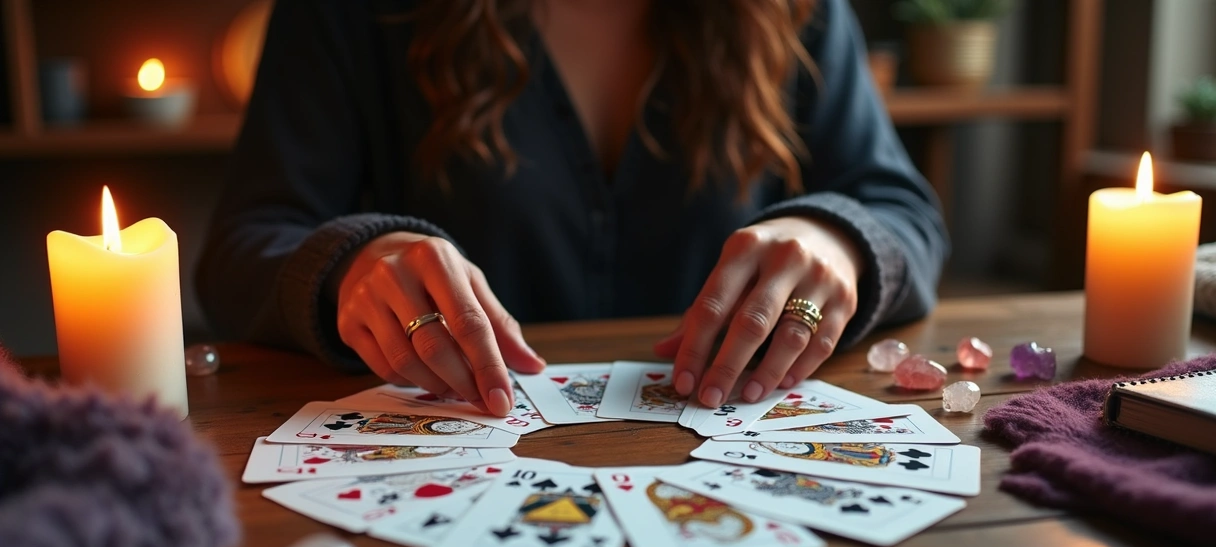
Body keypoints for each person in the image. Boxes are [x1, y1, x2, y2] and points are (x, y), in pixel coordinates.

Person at [197, 0, 948, 418]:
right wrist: (352, 264)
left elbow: (902, 212)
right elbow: (241, 249)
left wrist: (836, 240)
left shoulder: (798, 11)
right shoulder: (352, 17)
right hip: (449, 482)